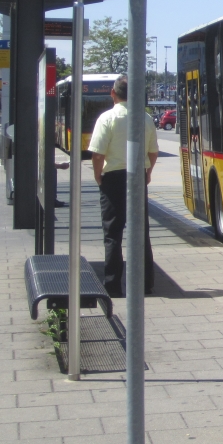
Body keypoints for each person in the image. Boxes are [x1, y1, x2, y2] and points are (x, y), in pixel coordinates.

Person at [88, 74, 159, 296]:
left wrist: (98, 176)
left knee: (113, 233)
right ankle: (145, 283)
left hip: (113, 179)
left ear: (113, 94)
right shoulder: (145, 118)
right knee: (141, 232)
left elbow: (97, 154)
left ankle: (113, 285)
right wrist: (148, 173)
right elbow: (153, 152)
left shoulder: (107, 118)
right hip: (137, 177)